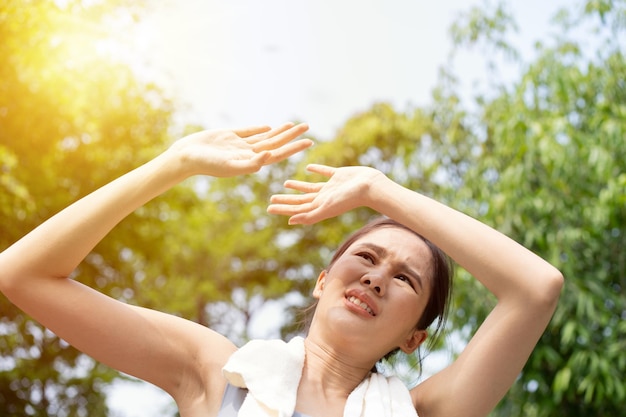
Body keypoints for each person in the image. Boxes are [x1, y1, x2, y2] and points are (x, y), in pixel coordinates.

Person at [0, 121, 563, 417]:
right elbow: (23, 275)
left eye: (405, 279)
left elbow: (537, 288)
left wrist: (379, 190)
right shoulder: (220, 374)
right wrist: (173, 164)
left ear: (416, 337)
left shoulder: (424, 412)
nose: (375, 277)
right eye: (365, 257)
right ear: (324, 281)